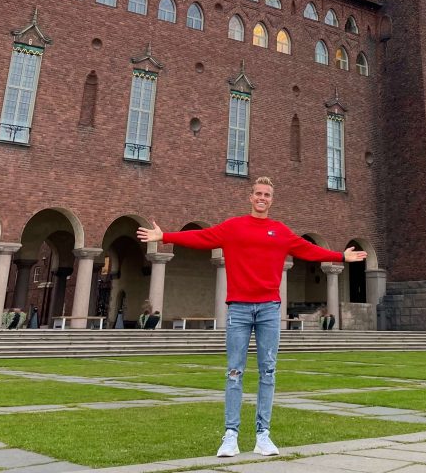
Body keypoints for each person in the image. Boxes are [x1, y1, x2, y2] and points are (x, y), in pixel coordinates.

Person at [136, 176, 366, 458]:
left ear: (272, 199)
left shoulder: (280, 231)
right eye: (258, 193)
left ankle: (263, 436)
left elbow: (308, 250)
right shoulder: (233, 227)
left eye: (267, 194)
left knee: (268, 372)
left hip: (269, 308)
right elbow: (200, 238)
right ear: (250, 197)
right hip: (239, 308)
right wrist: (165, 236)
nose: (262, 198)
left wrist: (340, 257)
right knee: (234, 371)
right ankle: (230, 435)